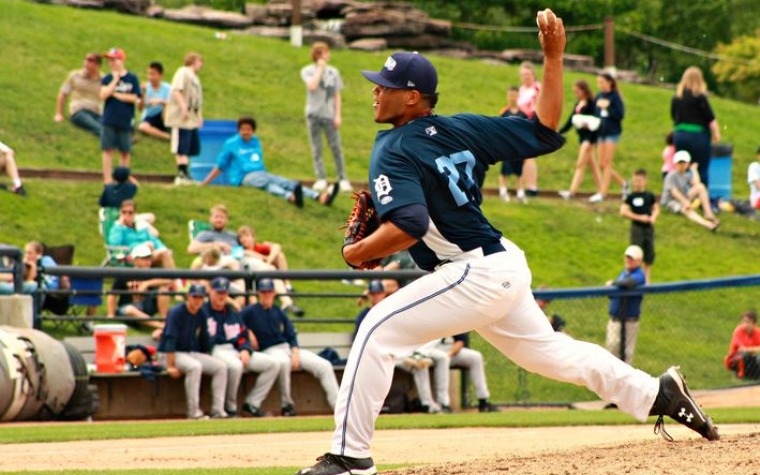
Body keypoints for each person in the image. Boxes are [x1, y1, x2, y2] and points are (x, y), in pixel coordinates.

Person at [296, 11, 718, 475]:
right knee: (554, 354)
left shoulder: (392, 147)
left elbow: (412, 225)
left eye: (385, 85)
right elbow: (546, 129)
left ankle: (349, 457)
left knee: (376, 330)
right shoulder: (462, 128)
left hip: (471, 272)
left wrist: (356, 251)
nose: (375, 90)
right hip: (503, 266)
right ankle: (655, 393)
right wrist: (553, 58)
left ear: (412, 97)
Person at [241, 278, 339, 417]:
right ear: (259, 293)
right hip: (269, 350)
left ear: (274, 293)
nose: (267, 295)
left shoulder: (278, 311)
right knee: (284, 362)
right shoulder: (251, 311)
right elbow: (237, 321)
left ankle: (339, 407)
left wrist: (294, 351)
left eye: (269, 291)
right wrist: (248, 332)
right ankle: (287, 405)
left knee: (324, 365)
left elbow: (291, 334)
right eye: (263, 292)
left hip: (287, 348)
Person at [201, 117, 339, 208]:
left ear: (253, 131)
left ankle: (315, 197)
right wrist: (206, 182)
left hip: (260, 173)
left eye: (248, 129)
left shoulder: (256, 142)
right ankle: (296, 196)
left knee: (276, 183)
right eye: (243, 129)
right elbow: (221, 165)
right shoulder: (231, 144)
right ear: (238, 130)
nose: (245, 132)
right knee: (273, 183)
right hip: (243, 177)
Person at [204, 277, 280, 417]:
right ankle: (231, 407)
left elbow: (243, 334)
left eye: (224, 293)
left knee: (273, 364)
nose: (222, 296)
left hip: (235, 350)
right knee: (236, 365)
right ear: (211, 292)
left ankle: (252, 404)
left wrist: (245, 349)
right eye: (218, 292)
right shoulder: (204, 312)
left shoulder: (232, 313)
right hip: (215, 349)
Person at [158, 283, 228, 419]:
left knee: (221, 366)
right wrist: (170, 366)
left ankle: (218, 410)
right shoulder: (176, 312)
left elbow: (204, 338)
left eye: (200, 297)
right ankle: (193, 412)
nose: (197, 300)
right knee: (195, 367)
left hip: (188, 353)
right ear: (188, 297)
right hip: (168, 354)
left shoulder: (202, 313)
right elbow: (170, 339)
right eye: (194, 297)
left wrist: (207, 354)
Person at [301, 42, 352, 194]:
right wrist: (320, 68)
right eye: (323, 53)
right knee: (316, 148)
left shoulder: (334, 72)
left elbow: (337, 95)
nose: (327, 55)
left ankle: (342, 179)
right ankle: (321, 178)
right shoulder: (307, 70)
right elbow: (312, 86)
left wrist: (338, 115)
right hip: (313, 115)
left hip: (329, 115)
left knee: (336, 147)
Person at [106, 244, 171, 339]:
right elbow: (112, 295)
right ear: (135, 260)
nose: (148, 262)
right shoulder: (125, 274)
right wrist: (110, 314)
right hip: (127, 308)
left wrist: (147, 284)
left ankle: (163, 321)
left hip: (145, 306)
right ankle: (161, 326)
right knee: (130, 310)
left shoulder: (151, 273)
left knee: (163, 291)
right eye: (144, 259)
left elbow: (168, 280)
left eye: (149, 258)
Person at [671, 66, 721, 188]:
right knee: (700, 167)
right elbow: (710, 118)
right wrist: (716, 133)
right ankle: (700, 195)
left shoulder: (677, 98)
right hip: (698, 137)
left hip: (680, 135)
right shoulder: (700, 97)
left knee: (682, 166)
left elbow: (673, 116)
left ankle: (682, 195)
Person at [427, 333, 500, 413]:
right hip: (430, 350)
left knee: (476, 357)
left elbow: (460, 342)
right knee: (443, 359)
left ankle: (483, 401)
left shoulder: (455, 321)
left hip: (450, 350)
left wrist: (450, 354)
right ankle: (443, 403)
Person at [99, 48, 141, 185]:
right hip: (109, 118)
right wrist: (114, 81)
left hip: (126, 118)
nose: (111, 63)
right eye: (109, 60)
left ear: (121, 60)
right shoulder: (107, 78)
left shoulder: (132, 78)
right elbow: (103, 95)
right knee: (107, 149)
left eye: (114, 59)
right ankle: (107, 179)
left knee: (125, 150)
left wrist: (116, 94)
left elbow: (134, 97)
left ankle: (123, 177)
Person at [558, 79, 601, 200]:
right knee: (594, 166)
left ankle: (572, 192)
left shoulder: (592, 103)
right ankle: (602, 190)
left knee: (580, 164)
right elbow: (570, 120)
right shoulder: (578, 103)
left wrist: (590, 135)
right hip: (582, 137)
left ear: (583, 90)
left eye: (577, 91)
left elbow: (596, 121)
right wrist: (559, 132)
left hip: (589, 137)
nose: (575, 93)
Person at [165, 52, 204, 185]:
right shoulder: (183, 72)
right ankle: (181, 173)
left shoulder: (195, 78)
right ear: (193, 61)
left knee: (188, 147)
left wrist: (198, 115)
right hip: (180, 118)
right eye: (200, 61)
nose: (201, 65)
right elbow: (176, 90)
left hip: (191, 119)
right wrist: (183, 108)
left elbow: (196, 99)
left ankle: (186, 173)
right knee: (181, 146)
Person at [605, 245, 647, 365]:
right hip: (615, 320)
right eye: (627, 257)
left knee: (625, 355)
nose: (628, 260)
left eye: (631, 258)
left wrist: (613, 283)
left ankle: (623, 383)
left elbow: (629, 283)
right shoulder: (623, 273)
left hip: (629, 322)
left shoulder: (639, 275)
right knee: (611, 352)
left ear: (639, 261)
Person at [590, 72, 627, 203]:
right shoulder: (599, 96)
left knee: (607, 163)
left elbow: (620, 115)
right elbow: (597, 114)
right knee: (601, 164)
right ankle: (623, 184)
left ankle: (602, 192)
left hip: (612, 132)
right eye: (598, 82)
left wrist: (609, 107)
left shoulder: (615, 97)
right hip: (601, 132)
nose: (599, 85)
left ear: (609, 82)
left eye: (602, 82)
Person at [661, 151, 720, 231]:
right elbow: (674, 192)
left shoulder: (686, 174)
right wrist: (685, 202)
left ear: (688, 164)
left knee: (701, 187)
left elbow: (697, 184)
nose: (682, 165)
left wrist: (694, 170)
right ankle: (707, 224)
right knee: (686, 209)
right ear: (676, 164)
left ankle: (708, 213)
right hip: (671, 201)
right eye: (680, 163)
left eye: (684, 163)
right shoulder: (671, 175)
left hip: (683, 196)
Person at [107, 200, 176, 269]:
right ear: (120, 213)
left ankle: (173, 278)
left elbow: (155, 241)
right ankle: (176, 279)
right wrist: (119, 226)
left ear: (135, 214)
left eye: (130, 213)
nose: (127, 215)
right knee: (163, 254)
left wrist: (163, 249)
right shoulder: (117, 228)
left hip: (149, 255)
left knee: (165, 252)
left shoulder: (141, 227)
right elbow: (114, 245)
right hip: (132, 257)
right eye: (124, 212)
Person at [620, 169, 659, 283]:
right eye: (635, 180)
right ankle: (634, 278)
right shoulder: (631, 196)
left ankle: (646, 280)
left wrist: (653, 217)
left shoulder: (649, 195)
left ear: (645, 181)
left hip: (648, 228)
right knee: (635, 253)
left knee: (649, 254)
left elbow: (656, 208)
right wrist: (639, 217)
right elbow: (623, 211)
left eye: (640, 180)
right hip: (637, 228)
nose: (637, 183)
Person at [54, 52, 103, 137]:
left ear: (97, 65)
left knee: (110, 125)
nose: (86, 63)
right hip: (79, 111)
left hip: (97, 112)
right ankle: (119, 141)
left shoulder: (104, 79)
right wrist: (59, 114)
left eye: (91, 60)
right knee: (96, 127)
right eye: (86, 59)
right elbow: (63, 93)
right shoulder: (75, 76)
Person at [497, 86, 527, 203]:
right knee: (505, 170)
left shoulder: (523, 115)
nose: (512, 98)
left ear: (518, 96)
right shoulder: (504, 113)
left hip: (518, 148)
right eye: (510, 95)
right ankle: (503, 191)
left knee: (518, 171)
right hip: (506, 147)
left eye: (514, 95)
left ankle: (520, 192)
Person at [517, 61, 541, 196]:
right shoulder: (522, 89)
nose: (526, 77)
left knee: (530, 155)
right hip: (522, 123)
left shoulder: (537, 88)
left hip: (532, 123)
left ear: (533, 74)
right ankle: (525, 185)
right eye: (523, 75)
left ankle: (532, 186)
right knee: (524, 155)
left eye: (528, 74)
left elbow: (537, 107)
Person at [137, 61, 171, 140]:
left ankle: (168, 128)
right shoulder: (145, 87)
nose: (150, 77)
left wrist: (160, 101)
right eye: (149, 74)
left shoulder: (168, 88)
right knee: (142, 127)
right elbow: (140, 109)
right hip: (150, 117)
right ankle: (168, 137)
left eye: (153, 74)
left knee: (167, 106)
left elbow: (174, 104)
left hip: (164, 115)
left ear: (160, 75)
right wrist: (143, 94)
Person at [724, 310, 760, 380]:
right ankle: (740, 375)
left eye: (748, 322)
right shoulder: (738, 331)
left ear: (754, 323)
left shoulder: (757, 332)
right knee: (744, 355)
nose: (745, 324)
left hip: (752, 357)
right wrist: (756, 349)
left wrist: (752, 350)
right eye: (744, 322)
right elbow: (742, 349)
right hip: (735, 359)